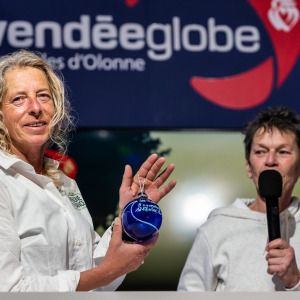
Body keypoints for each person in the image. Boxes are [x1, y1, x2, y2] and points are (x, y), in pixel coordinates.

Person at [0, 49, 176, 292]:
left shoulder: (64, 182)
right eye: (18, 98)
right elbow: (8, 290)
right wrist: (106, 273)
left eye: (43, 96)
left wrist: (129, 219)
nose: (35, 108)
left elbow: (96, 276)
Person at [178, 106, 300, 291]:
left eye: (283, 151)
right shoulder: (216, 229)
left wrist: (295, 281)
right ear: (248, 167)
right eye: (260, 151)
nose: (270, 160)